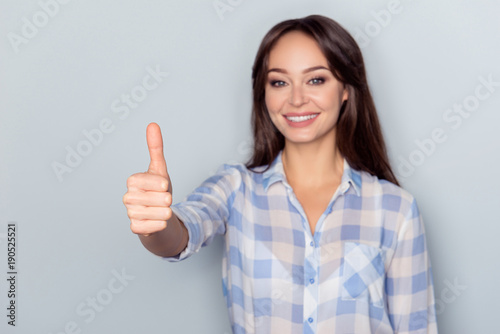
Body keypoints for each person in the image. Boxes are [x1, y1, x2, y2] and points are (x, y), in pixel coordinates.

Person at [123, 14, 438, 333]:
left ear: (346, 89)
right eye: (279, 82)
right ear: (263, 92)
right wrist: (155, 226)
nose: (297, 99)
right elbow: (181, 233)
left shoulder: (396, 209)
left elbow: (416, 327)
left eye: (316, 79)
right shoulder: (236, 189)